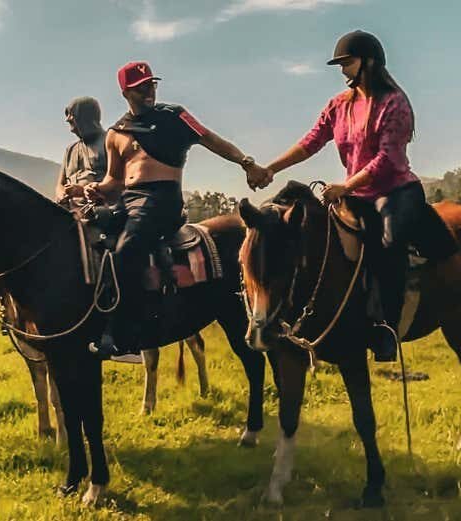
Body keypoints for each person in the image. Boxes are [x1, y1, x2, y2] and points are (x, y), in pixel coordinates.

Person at [259, 30, 440, 362]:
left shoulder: (394, 104)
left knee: (388, 242)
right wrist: (272, 168)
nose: (343, 71)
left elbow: (387, 159)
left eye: (348, 63)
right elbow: (311, 141)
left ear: (368, 62)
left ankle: (386, 326)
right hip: (356, 193)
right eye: (341, 65)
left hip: (395, 191)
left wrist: (346, 187)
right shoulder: (339, 105)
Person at [84, 61, 270, 357]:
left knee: (126, 249)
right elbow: (114, 181)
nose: (149, 91)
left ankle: (119, 330)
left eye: (152, 84)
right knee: (91, 238)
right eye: (141, 87)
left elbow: (211, 139)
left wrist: (247, 163)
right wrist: (92, 189)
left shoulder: (176, 117)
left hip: (161, 201)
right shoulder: (115, 133)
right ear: (125, 93)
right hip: (128, 201)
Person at [55, 96, 108, 210]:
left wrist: (82, 191)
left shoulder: (110, 142)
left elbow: (117, 182)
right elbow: (60, 184)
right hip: (71, 214)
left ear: (84, 117)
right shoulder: (71, 149)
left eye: (71, 114)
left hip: (101, 212)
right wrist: (61, 194)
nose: (68, 119)